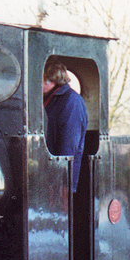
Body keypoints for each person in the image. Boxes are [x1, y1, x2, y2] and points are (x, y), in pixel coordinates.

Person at [43, 60, 88, 193]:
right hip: (51, 174)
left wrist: (60, 181)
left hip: (61, 180)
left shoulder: (71, 101)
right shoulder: (51, 99)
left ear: (50, 80)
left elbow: (68, 147)